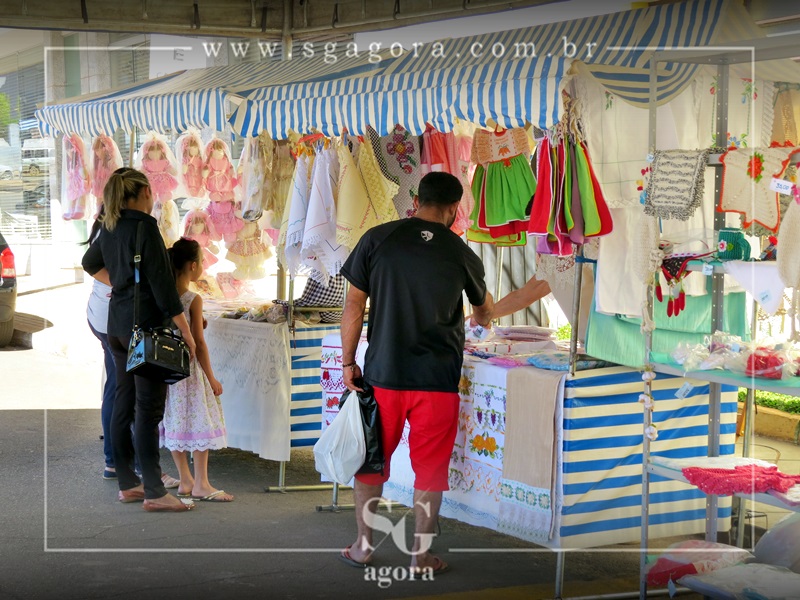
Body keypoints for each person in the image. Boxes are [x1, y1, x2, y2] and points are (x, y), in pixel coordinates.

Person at [338, 171, 493, 575]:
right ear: (454, 208)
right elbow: (484, 311)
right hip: (438, 381)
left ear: (416, 200)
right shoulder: (461, 252)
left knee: (372, 463)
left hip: (384, 375)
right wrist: (482, 313)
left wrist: (348, 361)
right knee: (430, 471)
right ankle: (420, 556)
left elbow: (353, 305)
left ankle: (363, 546)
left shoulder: (378, 238)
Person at [82, 167, 197, 513]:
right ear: (145, 191)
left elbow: (89, 262)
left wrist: (120, 283)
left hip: (116, 326)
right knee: (147, 410)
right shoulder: (145, 226)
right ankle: (155, 491)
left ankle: (128, 484)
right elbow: (163, 286)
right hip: (145, 329)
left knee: (124, 401)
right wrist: (187, 332)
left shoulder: (110, 223)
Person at [161, 238, 233, 503]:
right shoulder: (193, 299)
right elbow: (199, 344)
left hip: (167, 368)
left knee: (175, 421)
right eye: (202, 261)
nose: (203, 265)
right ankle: (202, 483)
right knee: (200, 419)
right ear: (192, 266)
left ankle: (185, 479)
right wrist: (211, 378)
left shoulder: (162, 295)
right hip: (189, 370)